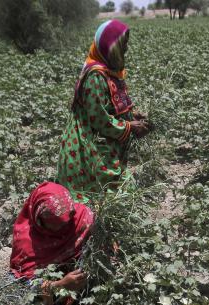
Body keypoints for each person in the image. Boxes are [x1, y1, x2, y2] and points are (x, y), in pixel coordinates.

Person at [57, 19, 151, 202]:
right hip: (88, 146)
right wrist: (130, 127)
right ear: (109, 47)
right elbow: (99, 118)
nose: (125, 50)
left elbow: (113, 106)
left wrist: (133, 116)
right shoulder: (95, 76)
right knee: (104, 195)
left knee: (118, 192)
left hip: (103, 142)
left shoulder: (110, 72)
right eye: (122, 45)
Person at [7, 182, 95, 305]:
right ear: (39, 219)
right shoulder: (27, 243)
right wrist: (60, 284)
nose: (64, 228)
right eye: (57, 224)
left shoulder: (81, 216)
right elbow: (25, 281)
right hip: (52, 291)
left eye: (68, 221)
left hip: (81, 279)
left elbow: (99, 237)